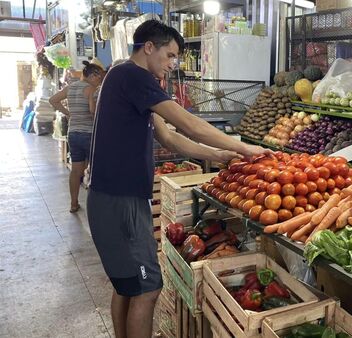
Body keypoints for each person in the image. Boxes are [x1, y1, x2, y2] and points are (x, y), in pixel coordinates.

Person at [87, 20, 269, 338]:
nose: (172, 64)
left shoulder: (123, 77)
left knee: (128, 286)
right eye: (169, 55)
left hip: (114, 198)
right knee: (148, 287)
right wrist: (241, 147)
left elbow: (170, 138)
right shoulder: (133, 75)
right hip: (121, 202)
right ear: (148, 48)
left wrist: (218, 155)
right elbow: (187, 123)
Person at [49, 61, 105, 212]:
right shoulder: (91, 89)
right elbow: (93, 112)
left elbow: (53, 100)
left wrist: (68, 113)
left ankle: (74, 203)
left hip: (73, 134)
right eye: (100, 78)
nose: (100, 81)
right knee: (95, 170)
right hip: (89, 133)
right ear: (93, 75)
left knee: (76, 170)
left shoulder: (70, 87)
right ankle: (96, 207)